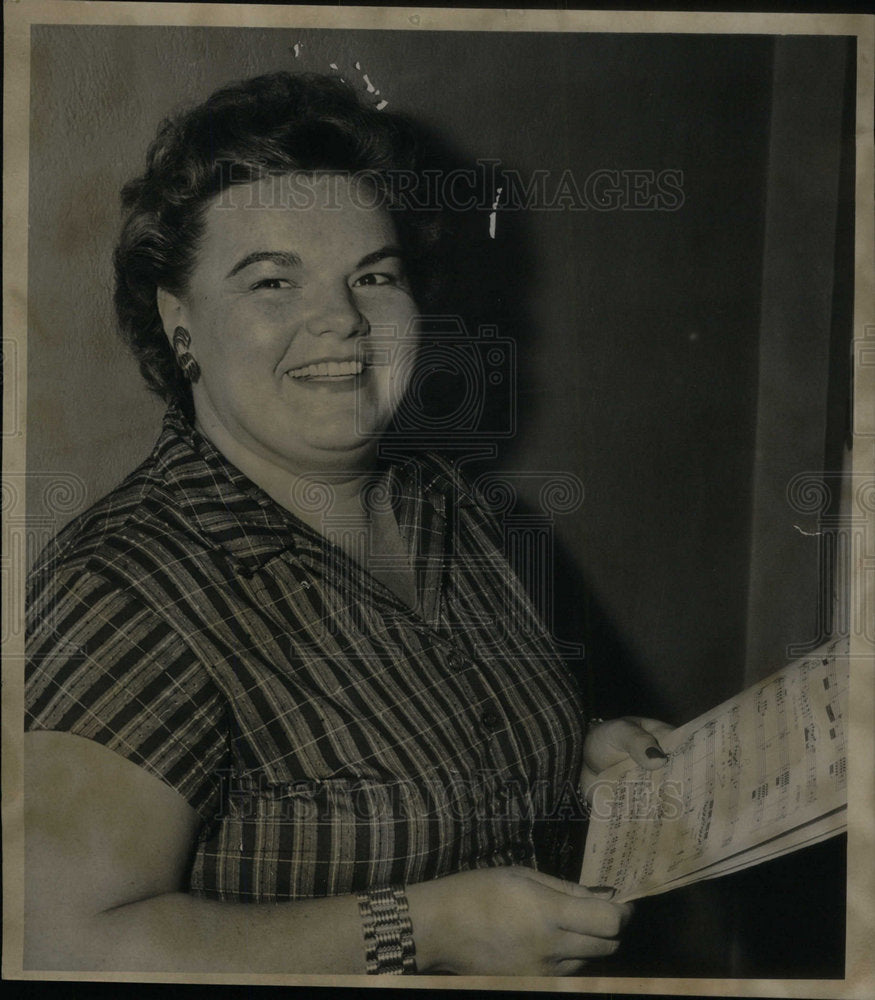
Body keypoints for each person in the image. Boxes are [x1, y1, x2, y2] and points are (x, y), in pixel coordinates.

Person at [24, 71, 670, 976]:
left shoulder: (449, 506)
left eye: (372, 274)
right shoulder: (126, 583)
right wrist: (424, 927)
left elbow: (431, 764)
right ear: (180, 324)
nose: (340, 320)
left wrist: (578, 762)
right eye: (271, 282)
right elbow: (59, 941)